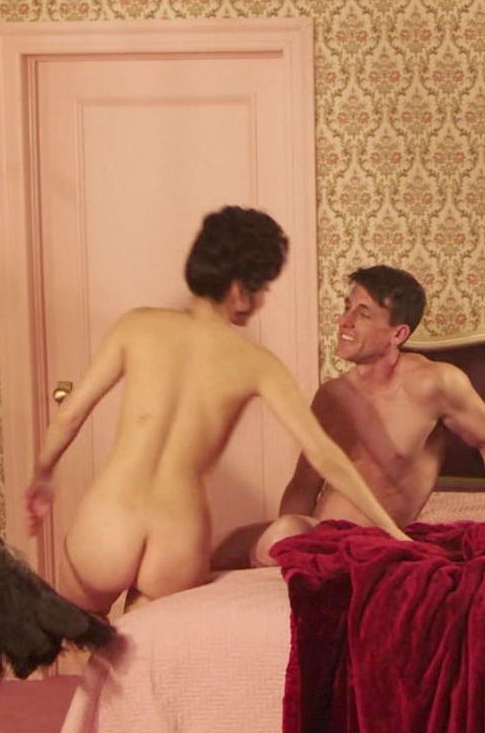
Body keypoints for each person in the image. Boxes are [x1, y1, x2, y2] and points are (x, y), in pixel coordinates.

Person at [25, 207, 409, 615]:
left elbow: (70, 415)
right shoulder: (258, 363)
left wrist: (43, 475)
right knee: (143, 650)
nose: (261, 300)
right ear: (240, 290)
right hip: (177, 537)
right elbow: (325, 455)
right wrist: (393, 531)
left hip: (111, 518)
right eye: (262, 288)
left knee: (71, 632)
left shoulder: (136, 326)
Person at [248, 265, 485, 566]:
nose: (344, 321)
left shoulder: (432, 383)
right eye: (347, 308)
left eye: (363, 314)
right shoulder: (332, 395)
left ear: (398, 333)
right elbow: (303, 485)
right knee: (230, 544)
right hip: (319, 535)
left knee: (281, 533)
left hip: (373, 542)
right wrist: (288, 557)